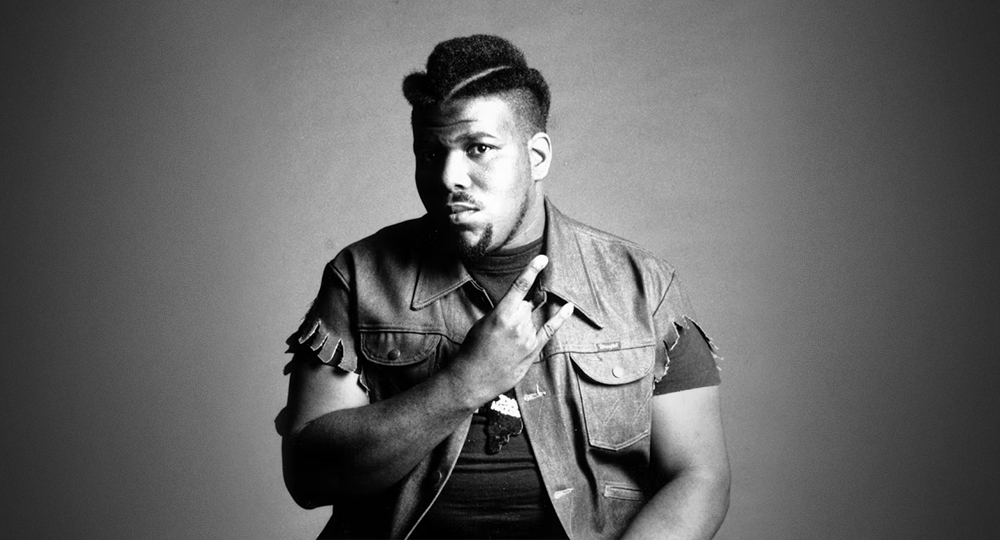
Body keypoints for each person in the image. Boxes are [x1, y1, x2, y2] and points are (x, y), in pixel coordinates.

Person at [277, 34, 730, 539]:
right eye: (430, 152)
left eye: (479, 148)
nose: (448, 177)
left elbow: (699, 476)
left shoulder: (643, 286)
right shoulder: (360, 277)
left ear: (537, 156)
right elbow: (308, 478)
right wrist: (464, 383)